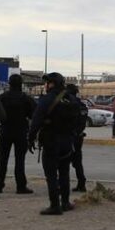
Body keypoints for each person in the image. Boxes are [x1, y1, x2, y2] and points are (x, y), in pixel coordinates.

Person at [28, 72, 80, 215]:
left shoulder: (46, 100)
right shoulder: (70, 99)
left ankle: (54, 205)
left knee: (51, 175)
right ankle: (65, 202)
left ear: (51, 84)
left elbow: (36, 122)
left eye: (47, 83)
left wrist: (31, 139)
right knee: (64, 173)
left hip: (51, 141)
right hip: (67, 141)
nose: (45, 86)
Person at [0, 74, 36, 194]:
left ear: (9, 84)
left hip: (5, 131)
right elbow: (34, 114)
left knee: (3, 159)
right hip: (21, 132)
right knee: (20, 160)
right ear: (21, 84)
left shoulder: (2, 97)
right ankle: (21, 186)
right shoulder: (26, 98)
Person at [67, 83, 89, 193]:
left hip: (70, 137)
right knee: (77, 162)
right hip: (79, 137)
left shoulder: (70, 105)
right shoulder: (82, 106)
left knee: (63, 162)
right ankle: (81, 184)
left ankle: (62, 185)